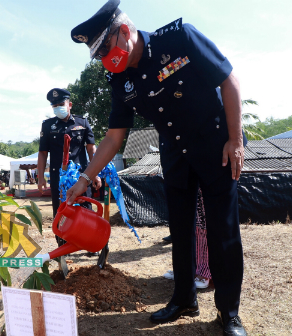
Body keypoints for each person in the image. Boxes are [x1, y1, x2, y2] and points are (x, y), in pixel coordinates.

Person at [67, 1, 247, 335]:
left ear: (125, 31)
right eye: (98, 55)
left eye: (106, 47)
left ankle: (228, 312)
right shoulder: (120, 80)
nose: (106, 59)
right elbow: (113, 137)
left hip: (215, 145)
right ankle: (184, 299)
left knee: (223, 231)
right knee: (179, 229)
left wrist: (235, 141)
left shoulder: (178, 39)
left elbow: (229, 79)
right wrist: (85, 177)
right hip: (175, 152)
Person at [37, 88, 101, 249]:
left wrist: (96, 174)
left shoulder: (83, 123)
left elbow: (91, 150)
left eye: (61, 104)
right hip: (58, 178)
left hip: (82, 177)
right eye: (55, 105)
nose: (58, 107)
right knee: (61, 210)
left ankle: (89, 243)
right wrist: (40, 177)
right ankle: (63, 245)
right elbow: (43, 153)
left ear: (69, 104)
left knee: (86, 208)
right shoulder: (47, 125)